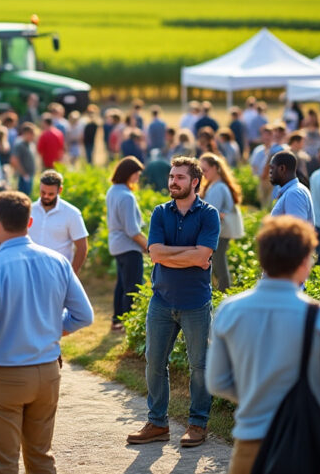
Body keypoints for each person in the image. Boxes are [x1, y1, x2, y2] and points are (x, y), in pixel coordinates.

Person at [207, 215, 320, 473]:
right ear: (304, 261)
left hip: (251, 447)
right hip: (308, 448)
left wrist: (256, 393)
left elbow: (217, 382)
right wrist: (318, 398)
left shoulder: (229, 310)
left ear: (262, 257)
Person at [0, 191, 94, 474]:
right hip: (48, 372)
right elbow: (84, 315)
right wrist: (51, 329)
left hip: (4, 374)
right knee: (41, 458)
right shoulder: (58, 261)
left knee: (2, 465)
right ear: (30, 222)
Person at [127, 157, 219, 448]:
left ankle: (198, 424)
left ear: (194, 182)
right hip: (162, 301)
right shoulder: (159, 213)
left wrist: (177, 255)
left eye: (179, 177)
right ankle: (157, 423)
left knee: (200, 366)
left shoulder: (209, 214)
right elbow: (154, 253)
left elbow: (202, 257)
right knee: (154, 362)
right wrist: (189, 254)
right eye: (171, 177)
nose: (172, 182)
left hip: (195, 302)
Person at [106, 156, 148, 332]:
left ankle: (117, 320)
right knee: (133, 286)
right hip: (128, 246)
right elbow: (132, 230)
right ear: (128, 173)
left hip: (116, 245)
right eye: (136, 173)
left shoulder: (112, 191)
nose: (138, 176)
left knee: (122, 284)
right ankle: (128, 323)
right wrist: (148, 246)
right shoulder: (126, 196)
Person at [199, 153, 244, 292]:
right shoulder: (216, 185)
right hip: (219, 230)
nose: (203, 174)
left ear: (215, 168)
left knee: (218, 263)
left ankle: (224, 291)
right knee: (218, 262)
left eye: (205, 170)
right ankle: (223, 291)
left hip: (218, 231)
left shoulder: (218, 187)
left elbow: (210, 213)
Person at [29, 170, 90, 273]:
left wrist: (72, 274)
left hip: (58, 272)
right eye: (43, 192)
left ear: (60, 190)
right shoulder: (29, 210)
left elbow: (82, 248)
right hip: (31, 271)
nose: (46, 196)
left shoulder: (72, 213)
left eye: (51, 194)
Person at [269, 151, 315, 225]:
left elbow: (296, 231)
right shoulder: (293, 191)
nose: (270, 172)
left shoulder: (294, 194)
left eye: (272, 168)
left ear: (282, 168)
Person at [249, 125, 278, 208]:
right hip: (261, 180)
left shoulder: (275, 149)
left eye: (269, 135)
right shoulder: (258, 150)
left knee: (271, 204)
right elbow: (253, 165)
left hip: (272, 182)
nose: (266, 137)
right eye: (264, 135)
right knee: (263, 204)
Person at [11, 123, 38, 196]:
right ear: (26, 133)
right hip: (23, 177)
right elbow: (14, 160)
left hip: (29, 175)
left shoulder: (30, 144)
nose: (33, 136)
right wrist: (24, 174)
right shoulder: (19, 144)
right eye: (32, 133)